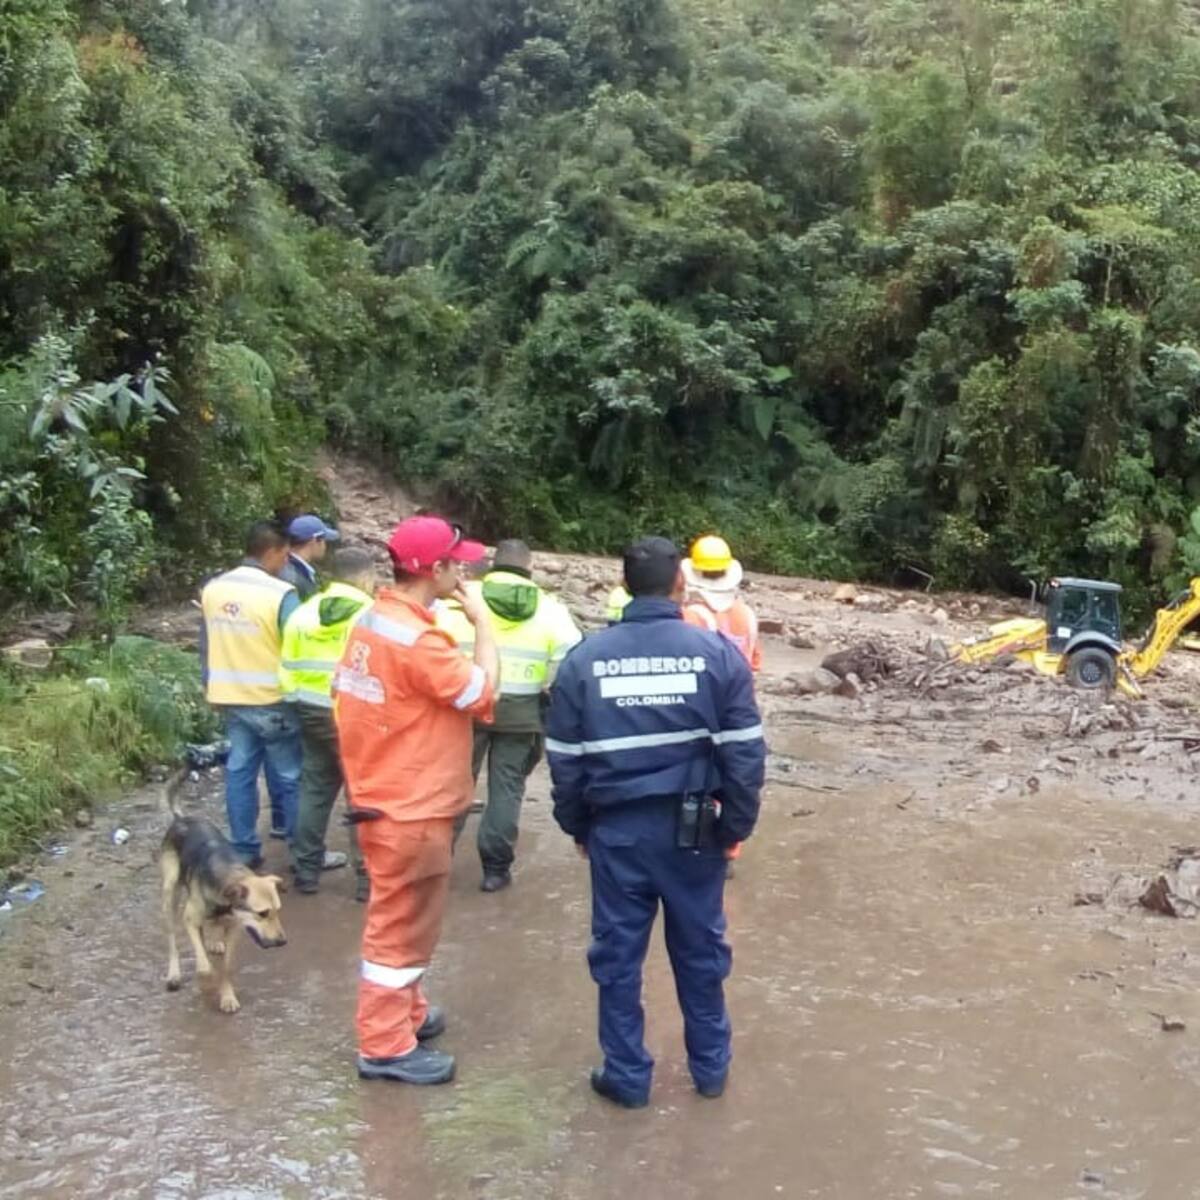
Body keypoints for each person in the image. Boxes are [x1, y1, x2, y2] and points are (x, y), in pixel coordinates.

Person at [546, 536, 766, 1108]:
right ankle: (711, 1071)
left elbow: (565, 763)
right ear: (678, 586)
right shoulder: (717, 655)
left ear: (624, 586)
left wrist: (577, 828)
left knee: (617, 957)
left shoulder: (584, 661)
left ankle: (627, 1076)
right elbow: (744, 754)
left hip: (616, 833)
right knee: (700, 952)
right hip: (695, 832)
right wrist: (734, 828)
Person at [334, 515, 500, 1086]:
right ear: (436, 569)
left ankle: (407, 1012)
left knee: (408, 920)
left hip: (384, 794)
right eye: (459, 561)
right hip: (411, 805)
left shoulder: (375, 621)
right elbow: (481, 692)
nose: (466, 569)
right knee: (399, 926)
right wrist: (481, 622)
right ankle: (383, 1045)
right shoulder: (418, 640)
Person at [437, 539, 582, 892]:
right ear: (530, 567)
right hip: (521, 709)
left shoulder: (464, 595)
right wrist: (544, 686)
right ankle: (495, 869)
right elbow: (569, 660)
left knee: (454, 783)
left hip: (465, 703)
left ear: (492, 564)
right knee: (507, 787)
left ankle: (436, 863)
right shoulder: (550, 608)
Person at [200, 520, 302, 867]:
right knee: (289, 775)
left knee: (239, 773)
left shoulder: (214, 589)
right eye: (285, 555)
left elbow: (206, 641)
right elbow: (298, 646)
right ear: (272, 551)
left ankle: (244, 850)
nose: (286, 563)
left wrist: (208, 684)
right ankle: (300, 849)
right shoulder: (280, 594)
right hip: (273, 700)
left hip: (231, 698)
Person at [280, 546, 377, 900]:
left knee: (315, 788)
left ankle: (306, 869)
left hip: (309, 711)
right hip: (354, 716)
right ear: (365, 577)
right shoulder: (371, 617)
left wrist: (298, 706)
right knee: (362, 793)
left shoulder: (303, 614)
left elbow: (286, 668)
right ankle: (366, 878)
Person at [681, 534, 762, 876]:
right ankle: (730, 848)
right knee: (735, 777)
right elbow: (754, 663)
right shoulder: (748, 615)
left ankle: (697, 843)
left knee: (699, 777)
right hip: (740, 708)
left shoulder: (690, 617)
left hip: (702, 709)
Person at [280, 514, 340, 601]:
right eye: (324, 540)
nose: (325, 546)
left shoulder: (287, 566)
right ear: (315, 540)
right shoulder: (294, 577)